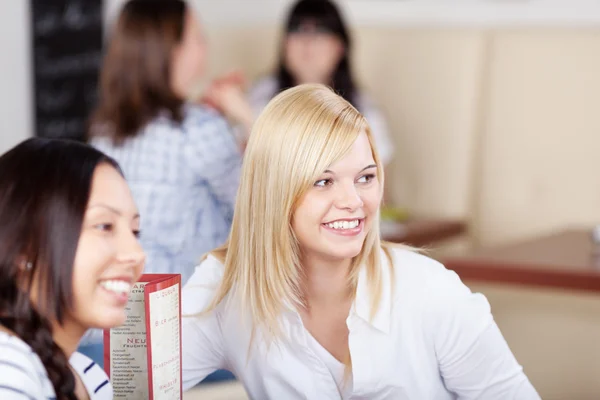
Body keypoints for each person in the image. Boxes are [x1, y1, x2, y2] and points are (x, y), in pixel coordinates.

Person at [181, 84, 540, 399]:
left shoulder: (431, 292)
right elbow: (135, 381)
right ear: (274, 191)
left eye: (366, 177)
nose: (353, 201)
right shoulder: (227, 288)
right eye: (323, 182)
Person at [89, 0, 242, 285]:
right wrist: (244, 112)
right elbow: (258, 203)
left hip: (122, 298)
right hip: (187, 302)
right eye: (197, 37)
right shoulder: (199, 127)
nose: (205, 46)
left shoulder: (104, 131)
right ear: (173, 50)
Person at [0, 138, 145, 400]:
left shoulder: (89, 377)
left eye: (135, 231)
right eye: (104, 226)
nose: (136, 254)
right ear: (25, 247)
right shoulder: (8, 369)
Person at [205, 0, 394, 166]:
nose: (307, 42)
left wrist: (247, 117)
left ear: (340, 47)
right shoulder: (263, 93)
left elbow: (375, 189)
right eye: (297, 30)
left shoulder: (363, 111)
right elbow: (246, 170)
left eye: (320, 31)